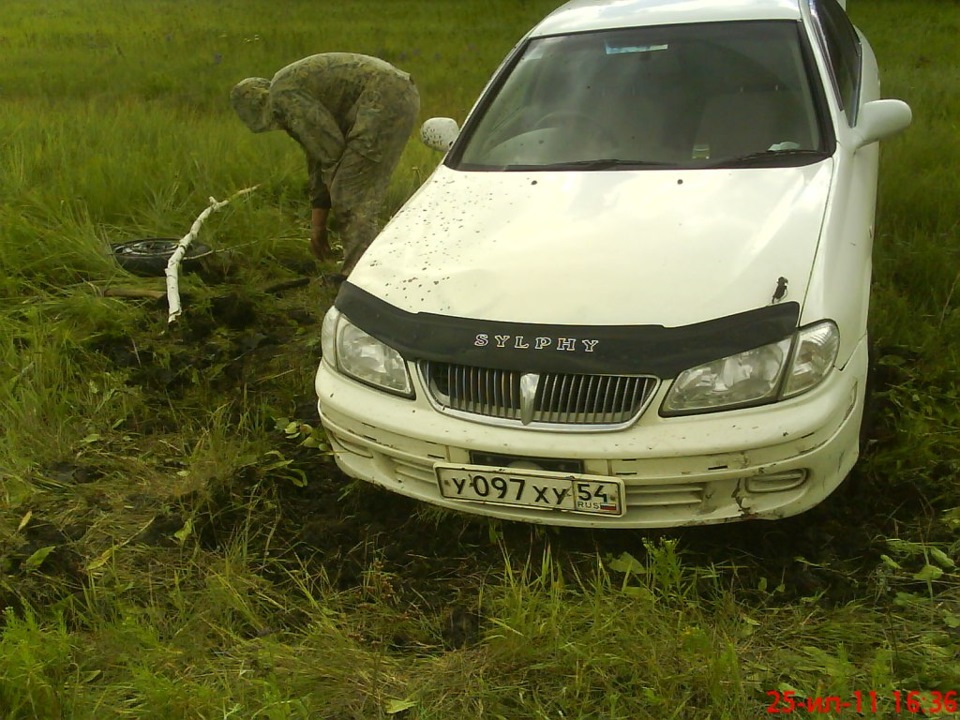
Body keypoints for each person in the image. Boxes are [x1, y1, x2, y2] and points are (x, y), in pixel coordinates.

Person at [230, 53, 420, 280]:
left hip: (383, 98)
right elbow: (318, 157)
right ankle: (364, 269)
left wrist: (339, 197)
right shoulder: (290, 89)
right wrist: (318, 227)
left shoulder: (283, 97)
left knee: (351, 194)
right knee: (349, 191)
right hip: (394, 95)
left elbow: (330, 151)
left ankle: (359, 278)